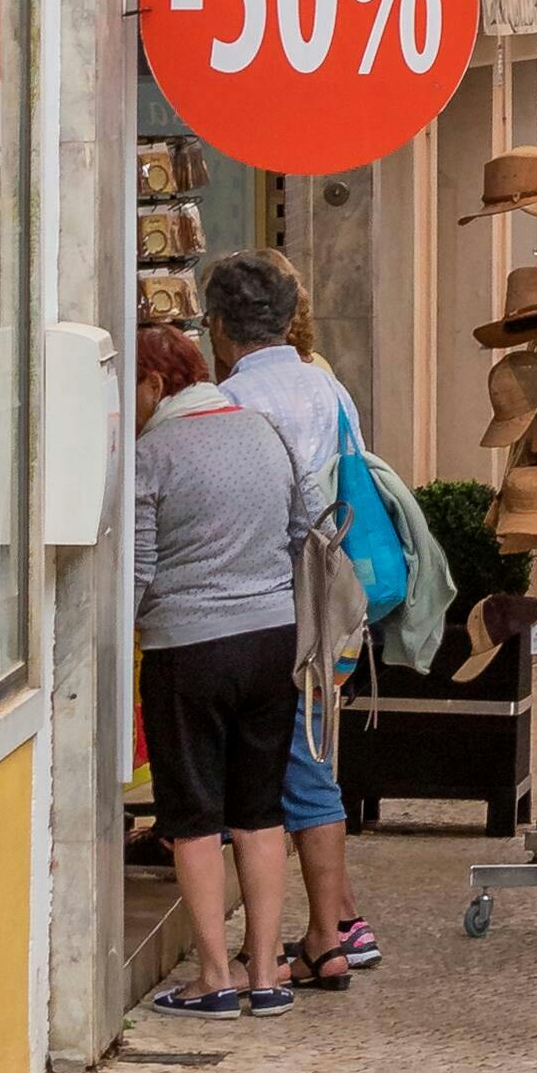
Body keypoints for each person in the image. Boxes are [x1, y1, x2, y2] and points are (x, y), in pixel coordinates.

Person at [129, 307, 330, 1011]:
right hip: (272, 639)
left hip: (189, 649)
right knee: (259, 808)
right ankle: (267, 974)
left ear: (155, 384)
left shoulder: (152, 455)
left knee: (192, 816)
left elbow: (139, 568)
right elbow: (303, 528)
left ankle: (215, 976)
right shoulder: (264, 432)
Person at [198, 252, 388, 991]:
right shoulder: (326, 386)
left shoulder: (234, 400)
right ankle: (330, 931)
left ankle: (268, 941)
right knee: (314, 754)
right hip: (329, 594)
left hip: (257, 594)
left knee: (255, 763)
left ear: (217, 326)